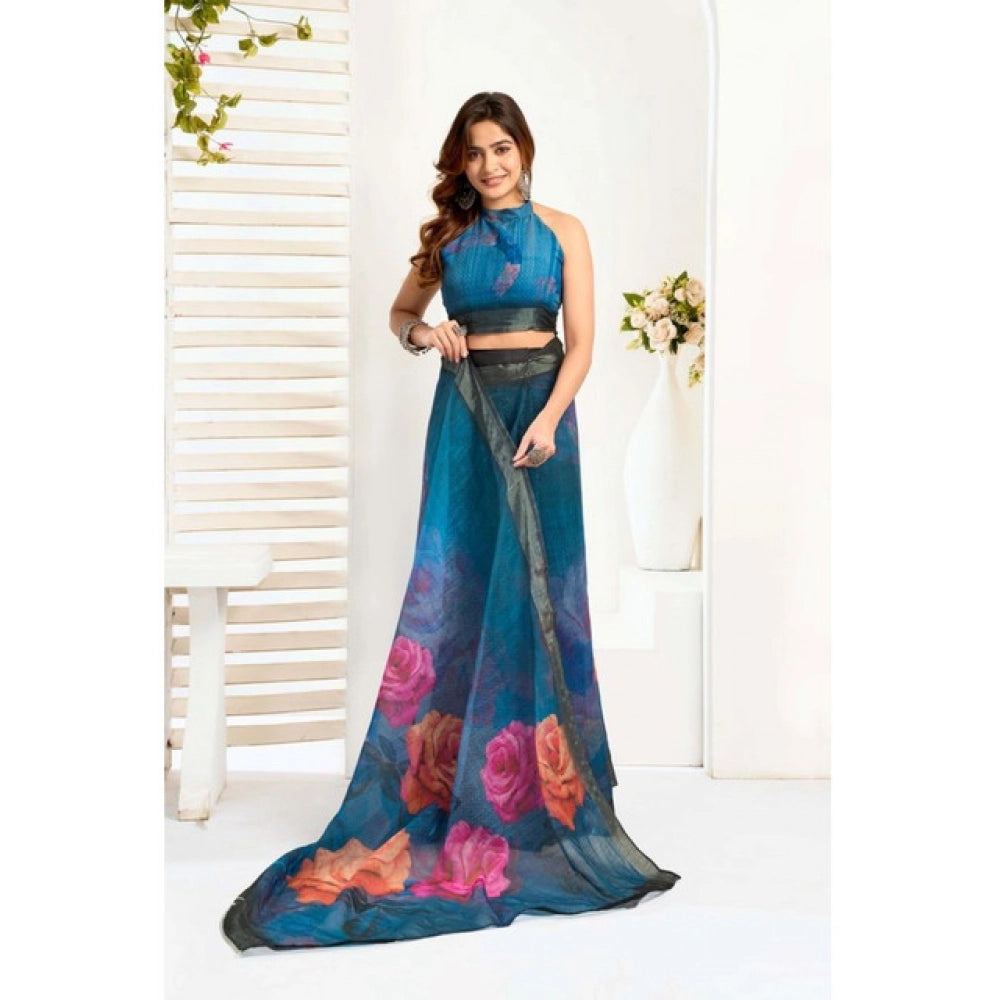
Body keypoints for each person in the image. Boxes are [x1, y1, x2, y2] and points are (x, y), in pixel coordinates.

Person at [221, 91, 680, 953]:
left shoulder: (565, 232)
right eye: (475, 152)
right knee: (457, 592)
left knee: (543, 598)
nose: (490, 164)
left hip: (541, 424)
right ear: (461, 163)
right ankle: (450, 786)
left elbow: (581, 343)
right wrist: (425, 335)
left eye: (502, 148)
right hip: (466, 419)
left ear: (524, 149)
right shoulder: (449, 239)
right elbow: (400, 316)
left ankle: (542, 801)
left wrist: (550, 419)